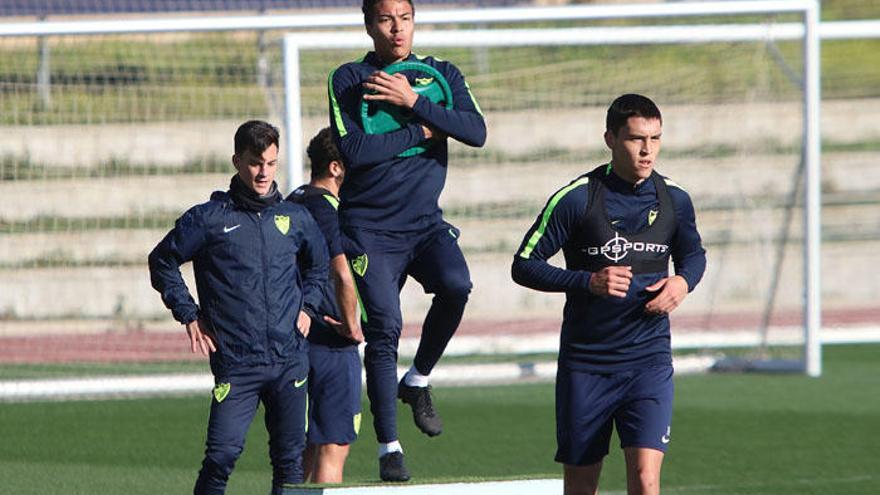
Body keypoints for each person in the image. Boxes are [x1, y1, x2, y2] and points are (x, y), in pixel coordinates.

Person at [511, 94, 707, 495]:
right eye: (637, 138)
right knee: (582, 487)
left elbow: (694, 255)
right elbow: (524, 264)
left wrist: (682, 282)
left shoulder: (675, 200)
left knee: (645, 480)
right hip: (587, 365)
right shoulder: (577, 199)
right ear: (611, 139)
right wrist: (587, 281)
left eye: (655, 138)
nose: (647, 149)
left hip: (648, 363)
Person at [327, 0, 487, 481]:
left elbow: (475, 131)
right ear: (369, 25)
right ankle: (389, 448)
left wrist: (414, 100)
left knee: (457, 285)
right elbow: (355, 151)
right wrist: (421, 127)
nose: (397, 28)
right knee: (385, 328)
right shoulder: (348, 78)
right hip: (369, 230)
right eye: (385, 19)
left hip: (425, 224)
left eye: (405, 17)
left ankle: (417, 380)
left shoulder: (441, 75)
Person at [148, 120, 329, 495]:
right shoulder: (209, 218)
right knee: (220, 457)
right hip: (237, 363)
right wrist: (189, 313)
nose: (264, 173)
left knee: (290, 462)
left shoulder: (295, 218)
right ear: (236, 161)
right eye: (255, 162)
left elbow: (320, 265)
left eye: (271, 163)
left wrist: (308, 307)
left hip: (289, 359)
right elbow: (162, 260)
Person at [286, 127, 364, 483]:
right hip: (330, 340)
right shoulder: (328, 208)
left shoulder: (291, 201)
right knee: (332, 448)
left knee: (299, 450)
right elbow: (342, 273)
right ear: (336, 167)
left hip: (291, 338)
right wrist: (351, 325)